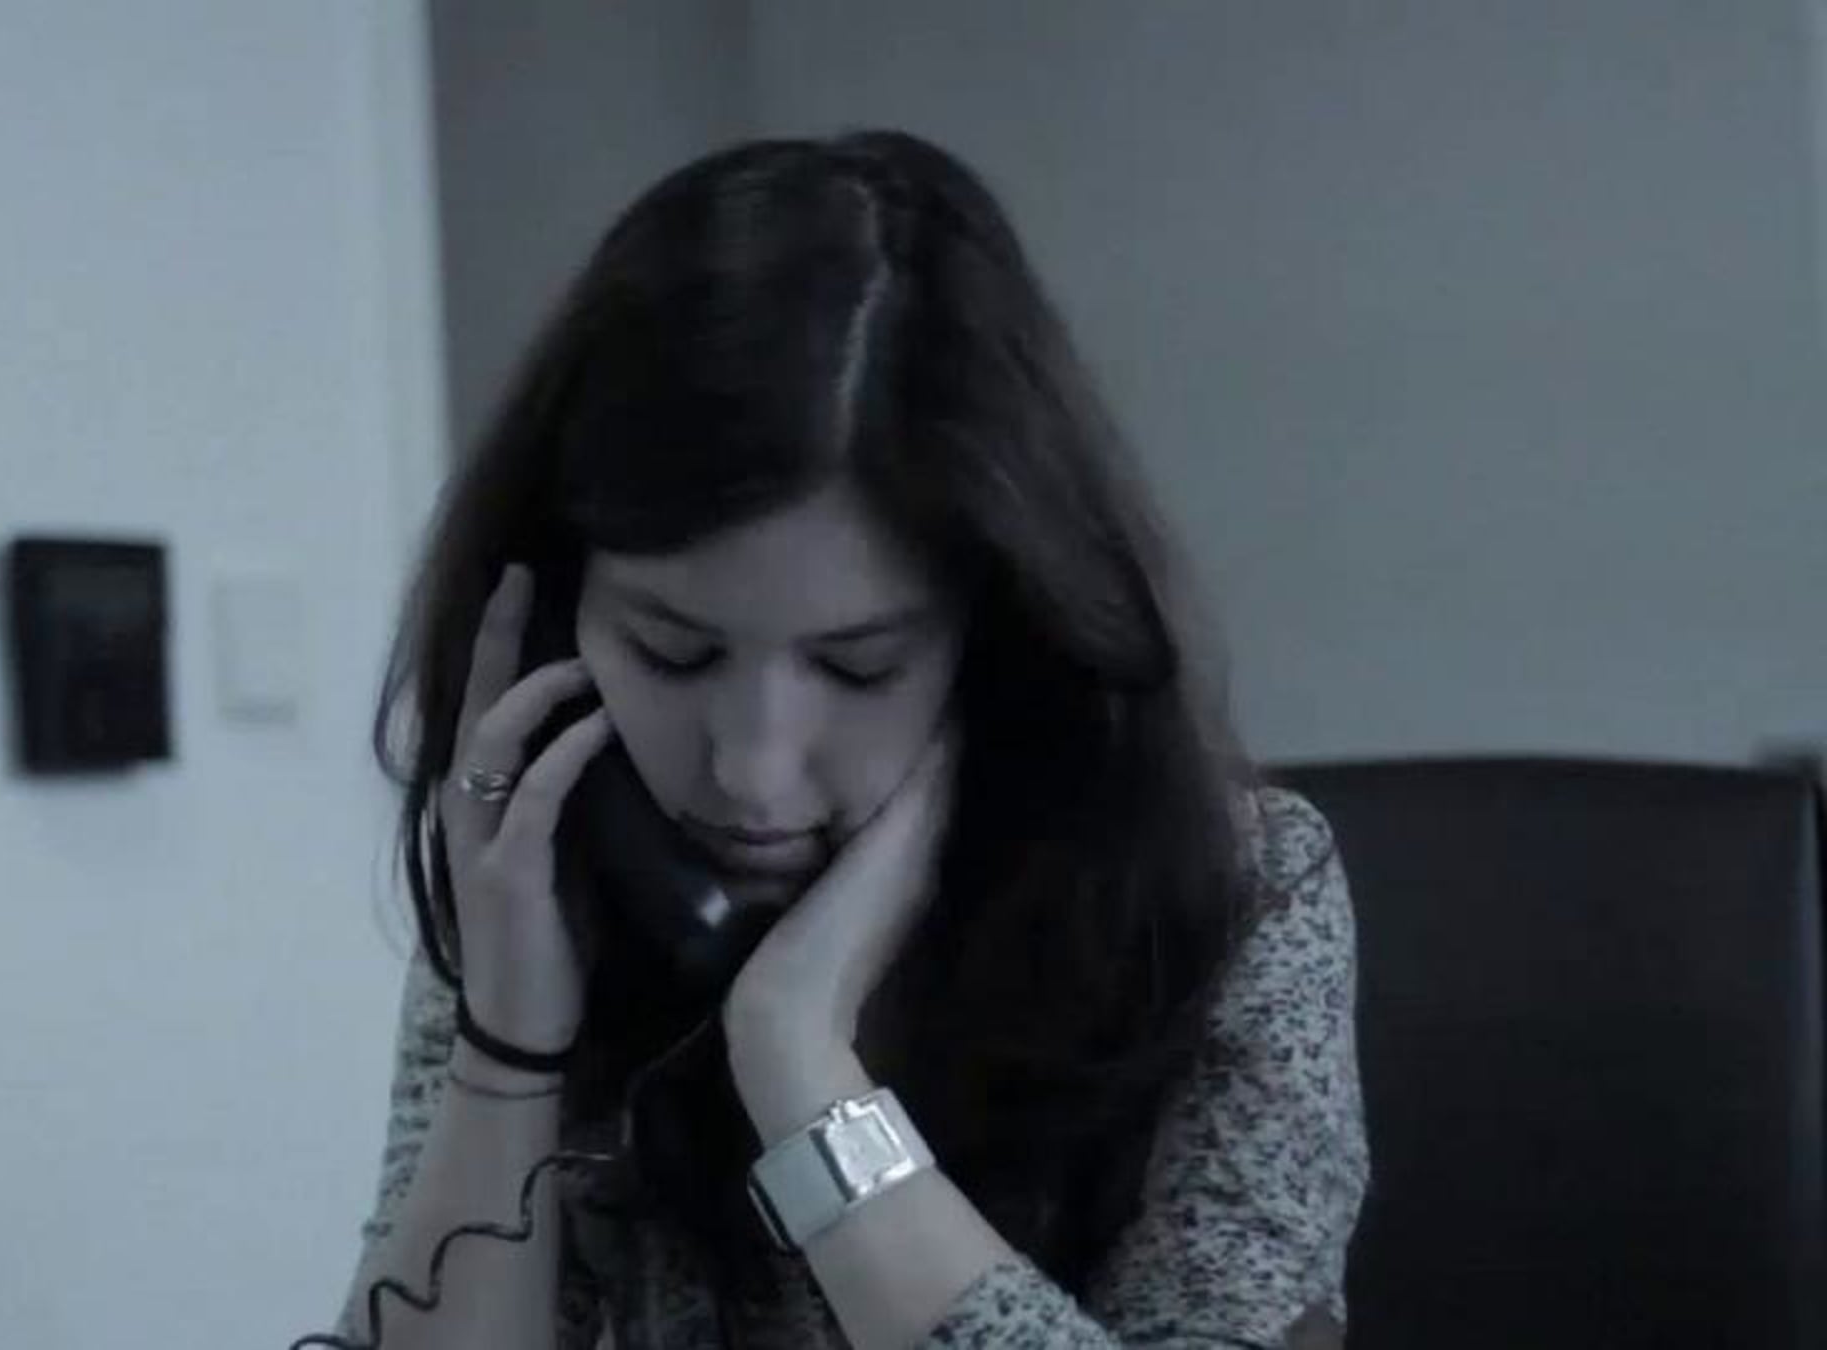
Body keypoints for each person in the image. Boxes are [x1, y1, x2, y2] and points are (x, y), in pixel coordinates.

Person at [315, 130, 1367, 1349]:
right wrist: (506, 1045)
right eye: (672, 653)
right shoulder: (548, 877)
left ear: (999, 637)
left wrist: (800, 1067)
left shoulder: (1238, 896)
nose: (752, 772)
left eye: (858, 668)